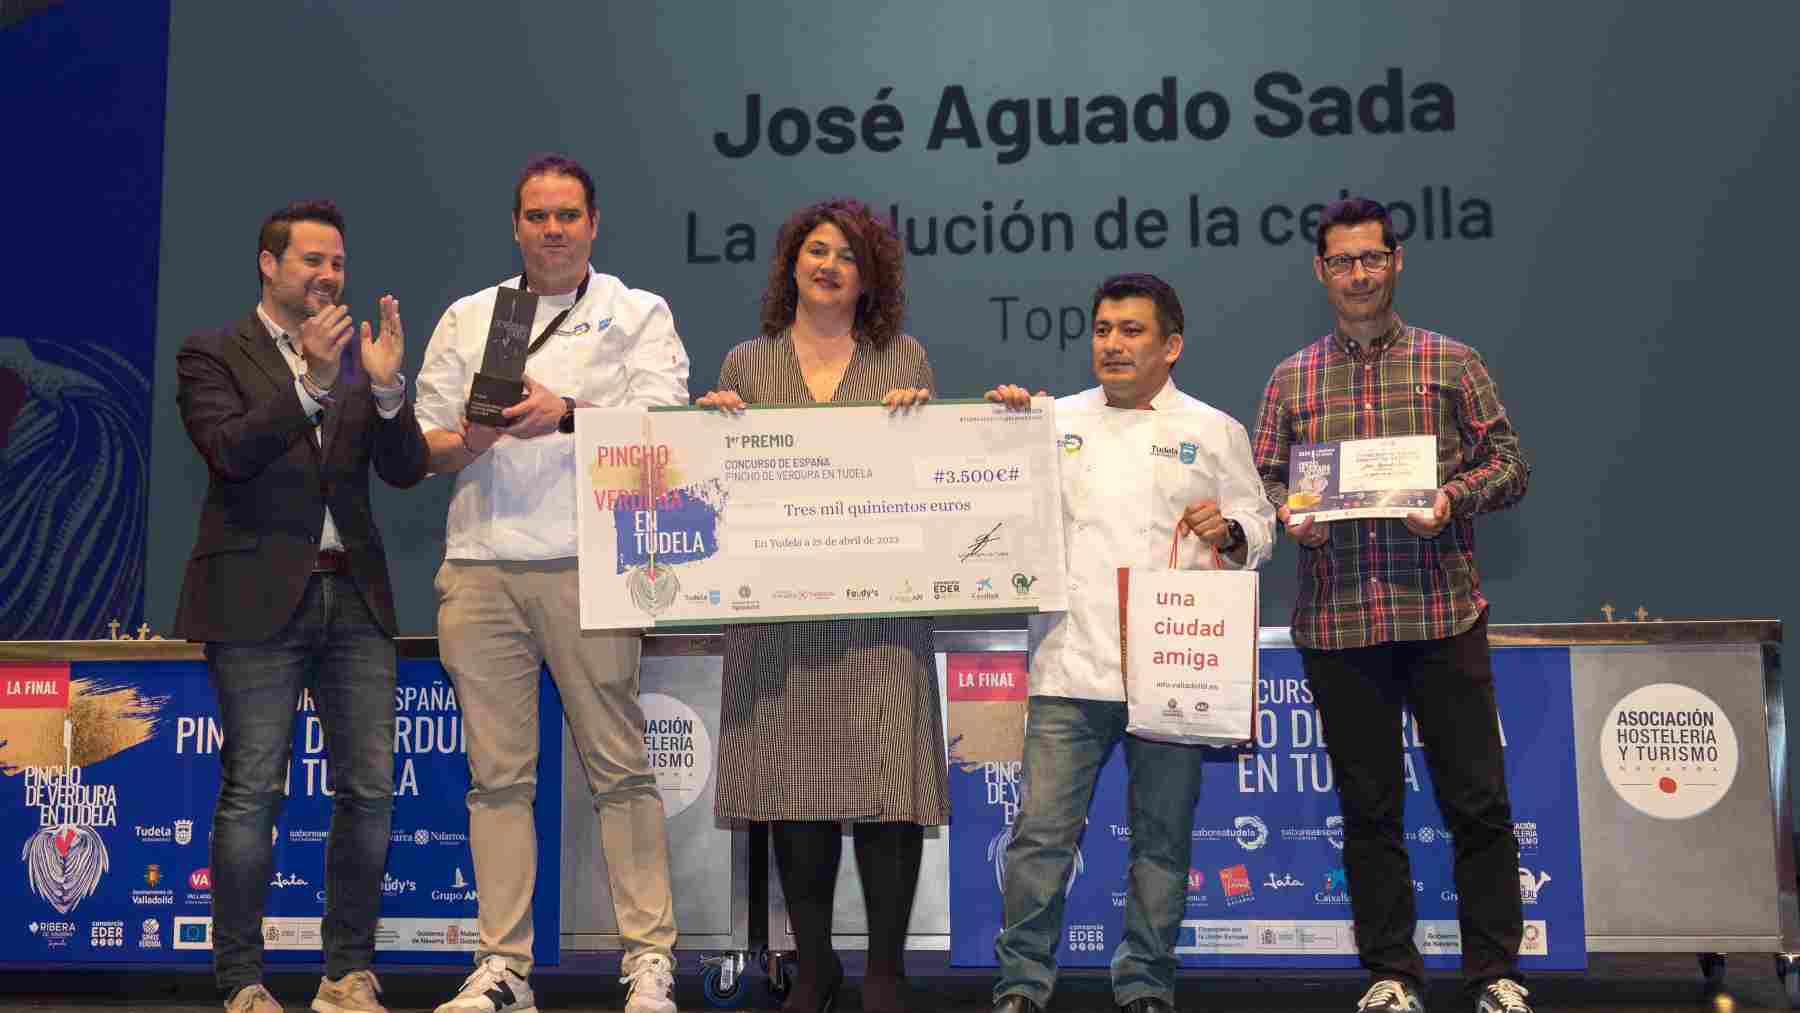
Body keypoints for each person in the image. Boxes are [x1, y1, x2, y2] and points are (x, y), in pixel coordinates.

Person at [414, 154, 689, 1013]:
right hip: (480, 564)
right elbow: (424, 445)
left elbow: (668, 429)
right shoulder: (470, 317)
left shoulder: (637, 312)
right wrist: (472, 439)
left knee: (621, 769)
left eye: (568, 214)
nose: (553, 229)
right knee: (497, 778)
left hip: (593, 561)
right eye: (537, 215)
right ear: (516, 225)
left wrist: (565, 413)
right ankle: (504, 968)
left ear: (594, 223)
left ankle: (649, 959)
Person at [1249, 197, 1532, 1013]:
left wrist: (1452, 497)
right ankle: (1392, 974)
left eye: (1372, 257)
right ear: (1321, 271)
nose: (1359, 274)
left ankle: (1495, 973)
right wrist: (1288, 512)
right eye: (1343, 261)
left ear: (1396, 260)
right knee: (1368, 809)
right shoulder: (1291, 378)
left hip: (1441, 613)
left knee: (1477, 801)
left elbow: (1510, 463)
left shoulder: (1453, 361)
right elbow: (1263, 478)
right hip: (1340, 622)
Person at [985, 273, 1274, 1013]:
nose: (1113, 344)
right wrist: (999, 427)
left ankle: (1146, 982)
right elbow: (992, 495)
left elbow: (1260, 522)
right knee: (1040, 837)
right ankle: (1021, 983)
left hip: (1172, 672)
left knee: (1161, 839)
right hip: (1069, 662)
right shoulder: (1051, 419)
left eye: (1131, 330)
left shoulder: (1214, 429)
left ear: (1170, 345)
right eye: (1103, 329)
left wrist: (1232, 531)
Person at [174, 198, 429, 1013]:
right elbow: (230, 450)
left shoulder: (359, 357)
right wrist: (313, 382)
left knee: (371, 790)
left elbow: (404, 468)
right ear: (269, 263)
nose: (328, 276)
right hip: (255, 597)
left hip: (353, 595)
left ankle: (346, 974)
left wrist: (386, 391)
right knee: (254, 790)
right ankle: (242, 980)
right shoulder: (212, 352)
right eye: (312, 260)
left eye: (338, 263)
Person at [695, 197, 938, 1013]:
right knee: (793, 786)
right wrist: (708, 432)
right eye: (818, 251)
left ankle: (885, 973)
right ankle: (817, 965)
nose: (830, 266)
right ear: (792, 264)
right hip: (779, 616)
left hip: (879, 613)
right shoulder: (745, 364)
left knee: (888, 785)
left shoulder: (902, 358)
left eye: (849, 257)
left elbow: (933, 480)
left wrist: (922, 424)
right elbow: (714, 489)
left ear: (870, 280)